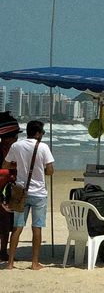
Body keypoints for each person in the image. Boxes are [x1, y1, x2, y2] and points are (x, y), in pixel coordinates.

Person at [3, 119, 54, 270]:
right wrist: (41, 170)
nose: (43, 135)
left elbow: (5, 165)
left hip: (20, 192)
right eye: (42, 132)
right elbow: (50, 171)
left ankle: (10, 263)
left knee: (17, 227)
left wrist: (18, 166)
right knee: (36, 227)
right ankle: (34, 263)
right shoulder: (43, 147)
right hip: (38, 193)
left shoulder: (16, 146)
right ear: (37, 133)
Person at [0, 111, 22, 261]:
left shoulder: (15, 150)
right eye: (14, 136)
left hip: (14, 189)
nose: (16, 138)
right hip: (2, 188)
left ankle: (3, 251)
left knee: (10, 222)